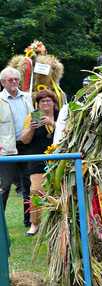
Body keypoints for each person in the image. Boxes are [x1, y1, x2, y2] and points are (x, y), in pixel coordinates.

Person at [19, 90, 65, 236]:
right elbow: (24, 140)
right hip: (37, 158)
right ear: (37, 104)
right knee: (36, 191)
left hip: (59, 158)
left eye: (48, 101)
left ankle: (60, 223)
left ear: (54, 103)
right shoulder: (34, 116)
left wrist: (53, 123)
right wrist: (31, 129)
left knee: (60, 191)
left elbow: (68, 133)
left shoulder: (61, 116)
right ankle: (34, 224)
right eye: (42, 101)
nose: (45, 103)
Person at [0, 67, 33, 218]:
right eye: (10, 80)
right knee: (5, 186)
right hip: (7, 149)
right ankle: (1, 222)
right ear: (2, 82)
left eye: (16, 79)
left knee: (29, 185)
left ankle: (30, 221)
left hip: (27, 145)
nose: (14, 82)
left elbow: (35, 117)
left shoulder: (27, 97)